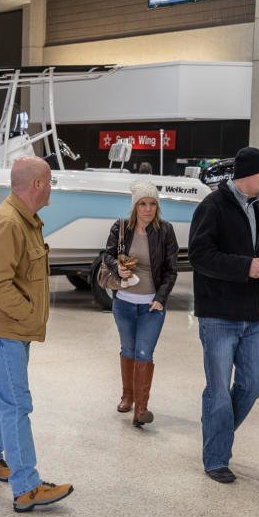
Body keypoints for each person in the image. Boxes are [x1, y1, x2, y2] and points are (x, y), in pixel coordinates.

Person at [0, 157, 73, 512]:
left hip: (11, 329)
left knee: (6, 395)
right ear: (38, 185)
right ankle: (26, 486)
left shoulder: (25, 220)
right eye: (50, 182)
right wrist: (28, 314)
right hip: (4, 329)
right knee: (17, 404)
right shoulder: (9, 223)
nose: (51, 189)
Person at [190, 146, 259, 482]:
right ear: (246, 174)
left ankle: (219, 433)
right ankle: (216, 457)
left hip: (251, 313)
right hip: (218, 315)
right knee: (218, 389)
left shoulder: (257, 210)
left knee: (255, 381)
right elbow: (200, 255)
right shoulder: (212, 206)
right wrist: (246, 267)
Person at [101, 180, 179, 426]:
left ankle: (141, 410)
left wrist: (160, 298)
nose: (147, 209)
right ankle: (128, 396)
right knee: (128, 350)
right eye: (143, 204)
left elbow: (171, 270)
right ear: (134, 206)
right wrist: (117, 268)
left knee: (144, 352)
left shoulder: (165, 231)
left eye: (152, 204)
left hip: (151, 307)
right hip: (123, 303)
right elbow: (107, 254)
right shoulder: (121, 227)